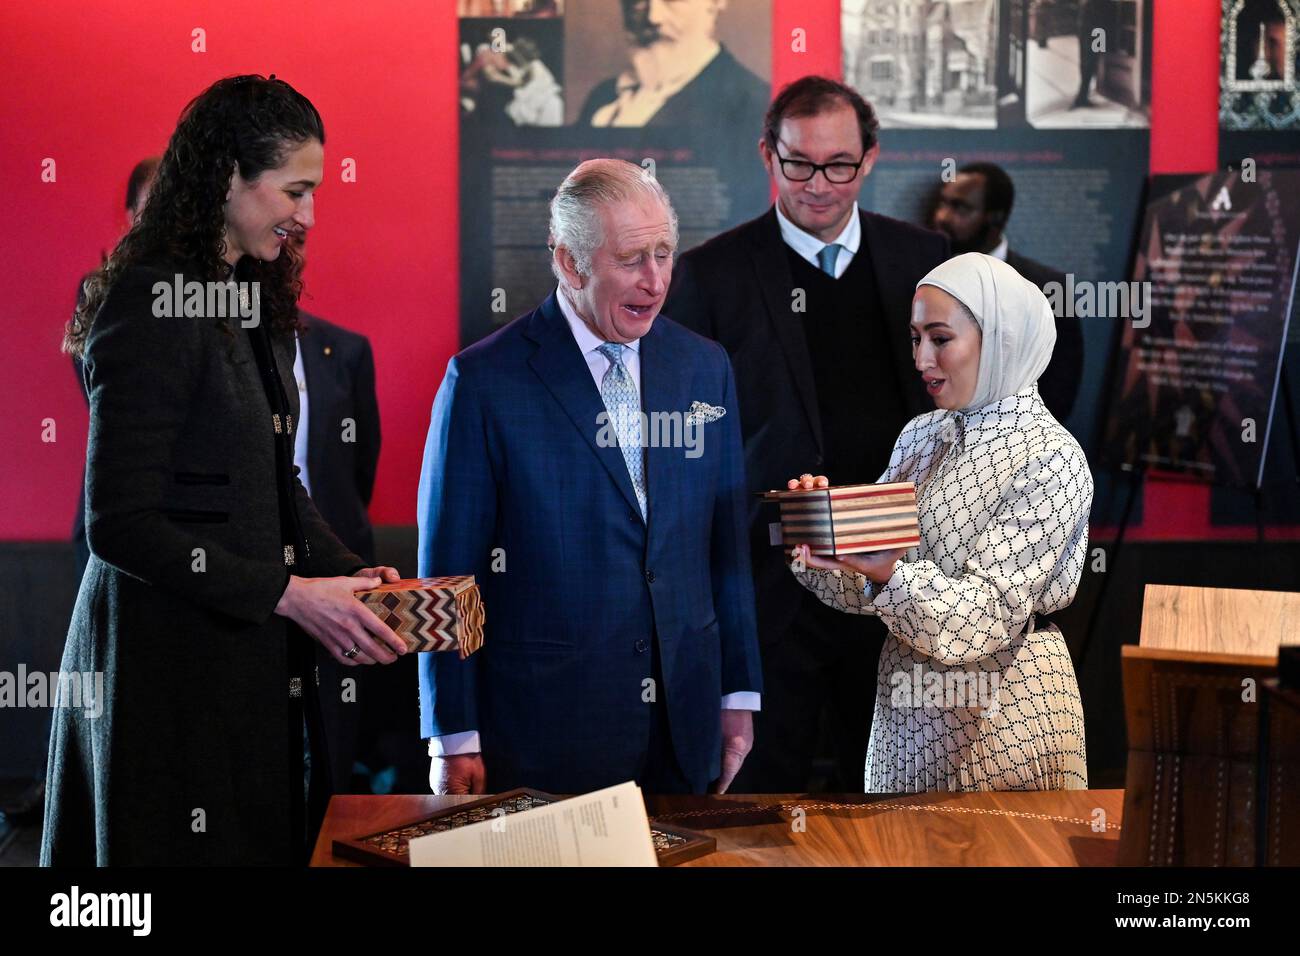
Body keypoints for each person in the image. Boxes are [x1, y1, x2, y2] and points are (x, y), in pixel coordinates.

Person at [44, 75, 407, 866]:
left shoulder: (249, 297)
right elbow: (119, 524)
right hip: (161, 685)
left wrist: (347, 576)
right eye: (296, 190)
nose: (309, 215)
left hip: (241, 676)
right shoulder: (148, 300)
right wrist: (289, 594)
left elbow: (278, 486)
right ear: (229, 178)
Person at [417, 158, 762, 796]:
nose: (656, 281)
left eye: (666, 253)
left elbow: (725, 545)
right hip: (547, 730)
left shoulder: (703, 367)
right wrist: (454, 733)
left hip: (684, 726)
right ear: (571, 263)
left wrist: (738, 689)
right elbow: (449, 573)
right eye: (633, 259)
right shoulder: (484, 382)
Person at [663, 76, 948, 793]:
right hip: (769, 589)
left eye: (839, 165)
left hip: (897, 580)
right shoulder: (709, 274)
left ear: (870, 159)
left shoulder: (925, 259)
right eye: (799, 163)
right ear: (768, 155)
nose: (819, 184)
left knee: (894, 799)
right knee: (759, 800)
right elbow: (688, 444)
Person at [789, 253, 1091, 791]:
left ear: (999, 340)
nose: (921, 358)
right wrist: (823, 535)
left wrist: (889, 573)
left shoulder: (1051, 456)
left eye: (940, 338)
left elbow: (985, 619)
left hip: (1004, 709)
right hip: (907, 709)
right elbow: (862, 588)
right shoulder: (921, 436)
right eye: (914, 338)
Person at [929, 161, 1084, 422]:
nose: (941, 217)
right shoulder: (921, 279)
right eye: (942, 203)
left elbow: (1058, 391)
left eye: (960, 208)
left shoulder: (1047, 289)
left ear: (996, 218)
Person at [71, 157, 160, 579]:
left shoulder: (221, 291)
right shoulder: (103, 291)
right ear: (130, 214)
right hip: (118, 528)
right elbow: (103, 395)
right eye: (153, 205)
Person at [577, 0, 767, 128]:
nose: (654, 18)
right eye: (638, 0)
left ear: (715, 3)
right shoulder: (601, 98)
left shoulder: (751, 104)